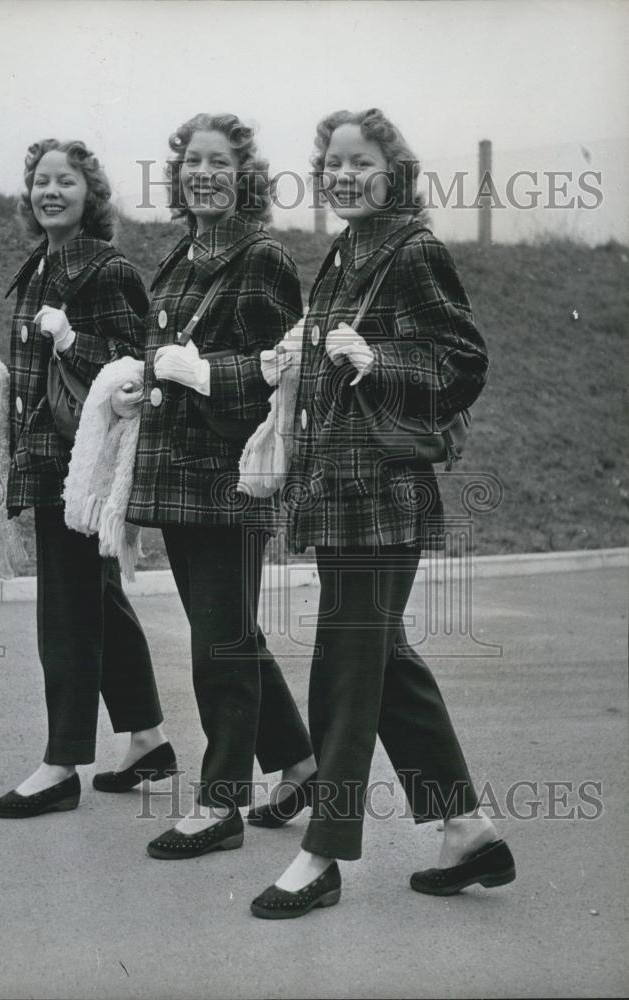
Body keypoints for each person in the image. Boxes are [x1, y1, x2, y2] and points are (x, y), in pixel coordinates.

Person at [249, 108, 516, 917]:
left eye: (359, 162)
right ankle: (465, 830)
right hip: (341, 496)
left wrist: (380, 360)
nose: (342, 175)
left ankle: (324, 855)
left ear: (392, 170)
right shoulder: (345, 252)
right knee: (382, 658)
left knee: (345, 666)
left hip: (384, 498)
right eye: (331, 163)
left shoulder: (413, 248)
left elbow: (461, 358)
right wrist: (301, 354)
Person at [126, 113, 316, 857]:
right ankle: (299, 762)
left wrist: (207, 374)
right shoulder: (178, 259)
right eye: (192, 162)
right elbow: (157, 352)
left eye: (219, 162)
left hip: (232, 479)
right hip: (179, 475)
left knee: (221, 642)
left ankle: (221, 803)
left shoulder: (261, 256)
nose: (203, 173)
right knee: (227, 630)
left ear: (244, 176)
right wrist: (140, 384)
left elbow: (282, 368)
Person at [0, 139, 175, 818]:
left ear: (89, 194)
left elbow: (136, 365)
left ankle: (61, 762)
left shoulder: (107, 268)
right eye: (41, 181)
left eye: (66, 182)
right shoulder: (39, 265)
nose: (51, 192)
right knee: (93, 596)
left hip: (81, 462)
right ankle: (149, 738)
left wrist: (73, 343)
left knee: (66, 611)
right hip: (49, 454)